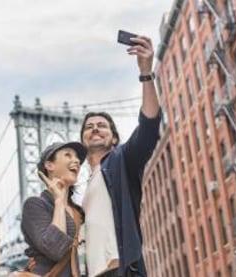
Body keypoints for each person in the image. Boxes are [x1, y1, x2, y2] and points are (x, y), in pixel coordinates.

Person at [75, 34, 161, 277]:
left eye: (102, 125)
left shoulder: (121, 161)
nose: (94, 128)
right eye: (89, 126)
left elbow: (149, 128)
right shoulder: (86, 185)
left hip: (120, 270)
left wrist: (146, 73)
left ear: (114, 138)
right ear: (83, 140)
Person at [21, 142, 87, 277]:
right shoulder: (34, 205)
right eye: (68, 155)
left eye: (77, 158)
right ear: (49, 165)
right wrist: (59, 201)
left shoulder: (79, 212)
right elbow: (55, 249)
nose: (77, 161)